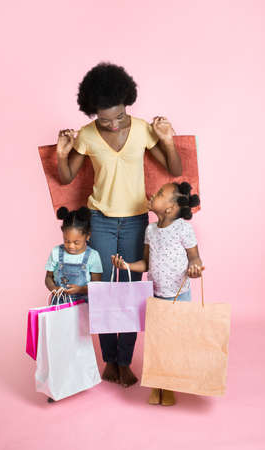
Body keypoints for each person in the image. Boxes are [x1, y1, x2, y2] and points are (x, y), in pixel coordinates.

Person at [56, 62, 182, 388]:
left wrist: (166, 139)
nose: (112, 125)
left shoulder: (141, 129)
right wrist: (61, 153)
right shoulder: (85, 136)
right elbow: (66, 176)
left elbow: (173, 167)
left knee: (130, 290)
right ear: (92, 113)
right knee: (101, 289)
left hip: (136, 220)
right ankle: (108, 359)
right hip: (99, 219)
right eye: (104, 119)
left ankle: (124, 361)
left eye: (119, 116)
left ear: (128, 103)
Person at [112, 181, 204, 405]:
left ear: (171, 208)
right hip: (157, 296)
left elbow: (194, 257)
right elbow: (146, 263)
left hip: (178, 295)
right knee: (157, 343)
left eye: (161, 193)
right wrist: (125, 266)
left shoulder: (183, 228)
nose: (154, 193)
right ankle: (157, 384)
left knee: (173, 343)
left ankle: (170, 386)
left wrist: (195, 268)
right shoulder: (150, 230)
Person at [45, 206, 103, 303]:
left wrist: (80, 289)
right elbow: (48, 277)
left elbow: (96, 286)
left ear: (87, 236)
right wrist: (53, 288)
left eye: (76, 242)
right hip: (59, 304)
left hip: (83, 306)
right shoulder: (56, 252)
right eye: (67, 241)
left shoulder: (93, 256)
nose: (71, 246)